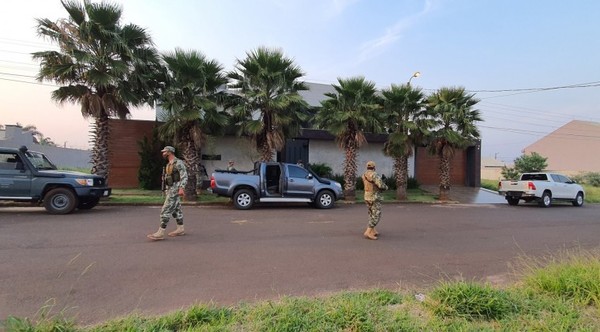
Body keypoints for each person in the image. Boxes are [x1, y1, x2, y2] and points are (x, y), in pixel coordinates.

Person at [147, 146, 188, 241]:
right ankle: (180, 229)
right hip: (170, 189)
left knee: (165, 210)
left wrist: (182, 188)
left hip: (175, 189)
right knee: (176, 210)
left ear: (170, 152)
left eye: (164, 152)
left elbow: (184, 176)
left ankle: (160, 232)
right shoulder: (169, 164)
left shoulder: (178, 163)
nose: (163, 153)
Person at [361, 160, 388, 240]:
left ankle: (373, 230)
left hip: (367, 196)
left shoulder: (364, 175)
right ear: (374, 167)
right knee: (376, 215)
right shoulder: (374, 174)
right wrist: (386, 185)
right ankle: (368, 232)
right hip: (374, 197)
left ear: (367, 167)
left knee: (371, 213)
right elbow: (381, 185)